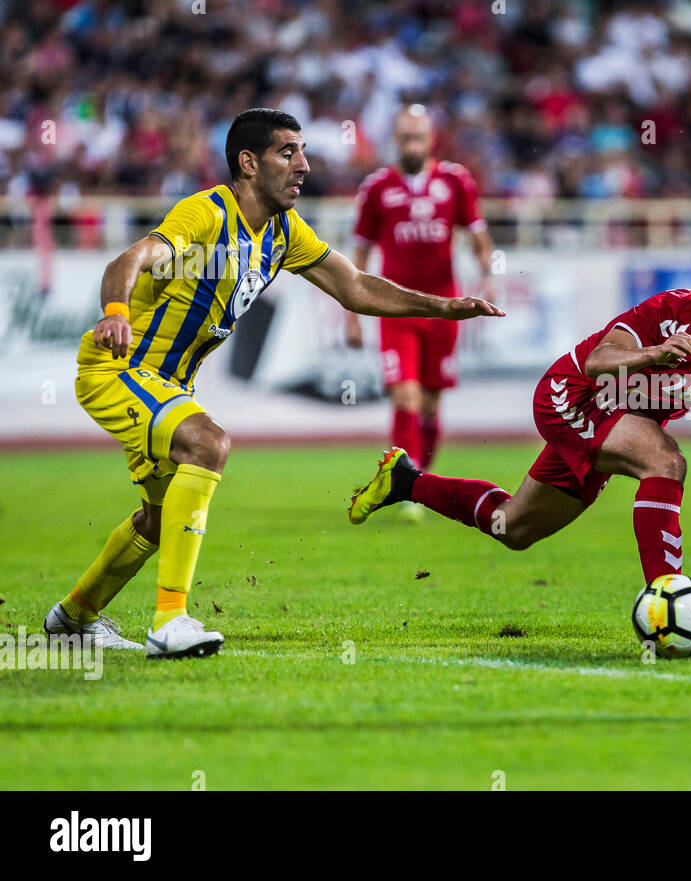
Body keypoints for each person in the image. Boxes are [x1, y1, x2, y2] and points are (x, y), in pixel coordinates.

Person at [47, 108, 502, 659]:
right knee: (208, 443)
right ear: (247, 162)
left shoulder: (283, 232)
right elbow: (132, 258)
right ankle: (170, 620)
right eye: (288, 153)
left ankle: (74, 616)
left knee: (161, 516)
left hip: (167, 382)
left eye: (303, 152)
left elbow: (355, 286)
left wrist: (442, 307)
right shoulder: (207, 214)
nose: (304, 166)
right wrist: (116, 310)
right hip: (119, 370)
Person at [348, 257, 691, 592]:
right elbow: (599, 360)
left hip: (618, 422)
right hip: (570, 395)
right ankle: (667, 600)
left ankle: (405, 481)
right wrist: (655, 354)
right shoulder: (673, 312)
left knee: (513, 528)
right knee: (666, 461)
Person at [345, 105, 496, 481]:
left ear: (431, 139)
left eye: (419, 137)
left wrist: (488, 275)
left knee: (429, 404)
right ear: (396, 140)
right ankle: (406, 483)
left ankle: (423, 478)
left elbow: (478, 236)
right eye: (405, 137)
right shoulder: (377, 187)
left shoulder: (456, 181)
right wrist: (352, 313)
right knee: (405, 396)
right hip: (394, 307)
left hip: (444, 308)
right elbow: (359, 255)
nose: (412, 144)